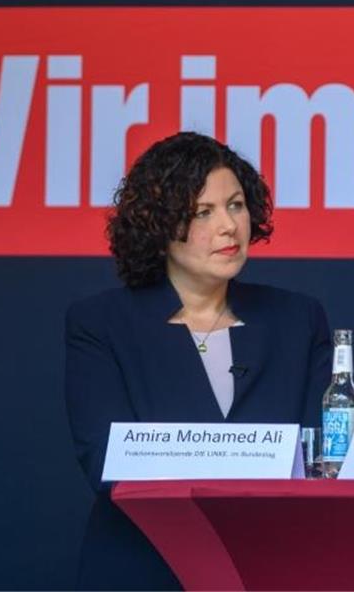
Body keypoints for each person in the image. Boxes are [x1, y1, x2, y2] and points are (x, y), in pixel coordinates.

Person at [65, 132, 332, 590]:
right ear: (160, 226)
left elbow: (317, 464)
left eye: (236, 205)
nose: (229, 226)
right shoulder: (101, 324)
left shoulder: (298, 320)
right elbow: (108, 466)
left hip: (269, 569)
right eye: (202, 213)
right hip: (145, 569)